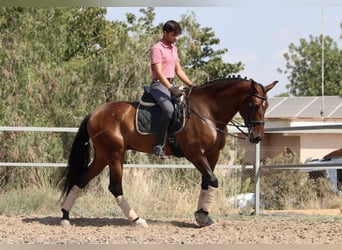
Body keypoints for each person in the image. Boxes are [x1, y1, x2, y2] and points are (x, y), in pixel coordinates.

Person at [150, 20, 193, 158]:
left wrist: (192, 86)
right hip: (159, 85)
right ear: (165, 33)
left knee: (186, 106)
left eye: (177, 35)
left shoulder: (174, 48)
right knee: (169, 110)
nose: (176, 38)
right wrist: (170, 87)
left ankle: (175, 138)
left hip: (171, 85)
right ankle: (158, 145)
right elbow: (158, 72)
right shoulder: (157, 48)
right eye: (173, 35)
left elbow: (179, 71)